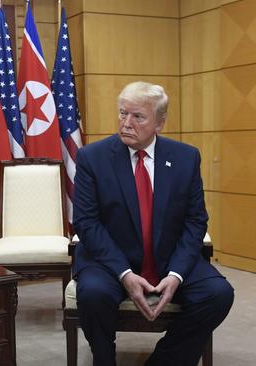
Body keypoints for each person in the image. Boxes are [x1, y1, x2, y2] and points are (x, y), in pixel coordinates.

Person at [72, 81, 234, 366]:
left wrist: (176, 275)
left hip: (169, 257)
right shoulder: (92, 158)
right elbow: (86, 223)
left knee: (218, 295)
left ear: (159, 123)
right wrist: (124, 273)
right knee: (93, 294)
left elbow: (196, 221)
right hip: (111, 260)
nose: (126, 123)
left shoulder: (185, 157)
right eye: (122, 114)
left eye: (138, 117)